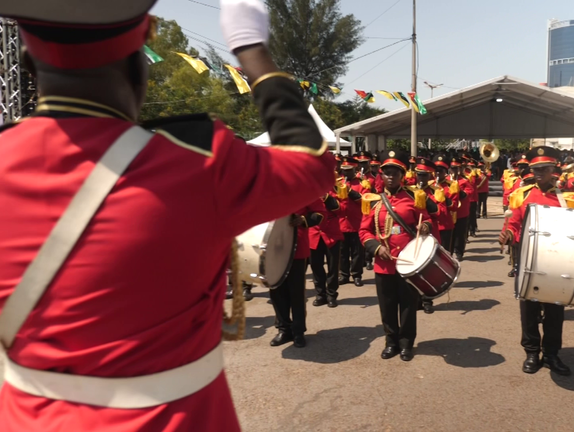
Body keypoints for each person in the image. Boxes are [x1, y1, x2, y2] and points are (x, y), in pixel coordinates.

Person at [0, 1, 335, 430]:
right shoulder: (200, 161)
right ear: (139, 67)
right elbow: (311, 162)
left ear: (28, 65)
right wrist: (251, 48)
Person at [499, 146, 574, 376]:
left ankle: (552, 354)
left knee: (555, 311)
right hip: (528, 261)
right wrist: (508, 235)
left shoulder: (568, 198)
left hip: (557, 262)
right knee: (529, 309)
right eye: (535, 169)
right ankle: (532, 352)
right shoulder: (521, 194)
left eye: (543, 168)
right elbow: (513, 224)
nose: (538, 172)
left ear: (554, 169)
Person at [360, 150, 432, 362]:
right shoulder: (372, 200)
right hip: (383, 263)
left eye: (395, 172)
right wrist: (375, 248)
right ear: (381, 175)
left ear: (402, 175)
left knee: (409, 305)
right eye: (387, 172)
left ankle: (406, 343)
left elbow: (427, 219)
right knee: (387, 305)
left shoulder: (414, 197)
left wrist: (425, 226)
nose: (391, 176)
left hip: (408, 261)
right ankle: (391, 342)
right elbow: (363, 231)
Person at [270, 201, 327, 348]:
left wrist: (303, 220)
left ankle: (298, 331)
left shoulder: (304, 188)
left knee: (296, 292)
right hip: (271, 247)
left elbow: (321, 213)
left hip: (296, 245)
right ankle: (284, 330)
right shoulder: (268, 187)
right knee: (276, 290)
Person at [413, 158, 442, 314]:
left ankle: (427, 300)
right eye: (419, 175)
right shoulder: (409, 190)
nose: (421, 178)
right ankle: (416, 299)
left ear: (430, 176)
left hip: (430, 234)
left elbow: (439, 213)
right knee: (414, 268)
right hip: (413, 235)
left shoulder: (437, 191)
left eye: (424, 175)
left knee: (427, 270)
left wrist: (424, 197)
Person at [338, 156, 369, 287]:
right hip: (341, 223)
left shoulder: (362, 183)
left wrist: (349, 191)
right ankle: (344, 274)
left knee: (357, 252)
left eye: (348, 170)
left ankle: (356, 275)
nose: (345, 173)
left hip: (356, 222)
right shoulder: (338, 182)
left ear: (354, 169)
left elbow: (365, 200)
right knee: (342, 252)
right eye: (344, 170)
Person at [310, 190, 343, 308]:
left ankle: (332, 295)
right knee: (316, 266)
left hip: (331, 235)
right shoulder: (309, 193)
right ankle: (320, 294)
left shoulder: (335, 192)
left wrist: (327, 197)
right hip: (314, 235)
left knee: (333, 267)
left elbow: (341, 210)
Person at [450, 156, 473, 261]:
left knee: (460, 233)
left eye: (456, 168)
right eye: (452, 168)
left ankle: (459, 252)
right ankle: (449, 253)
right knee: (450, 234)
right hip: (449, 212)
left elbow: (469, 193)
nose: (454, 170)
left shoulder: (464, 181)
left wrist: (459, 190)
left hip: (461, 212)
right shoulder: (445, 180)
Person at [433, 154, 458, 250]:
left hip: (445, 225)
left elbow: (454, 206)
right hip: (432, 226)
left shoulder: (452, 186)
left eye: (441, 171)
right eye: (436, 171)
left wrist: (444, 197)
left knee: (445, 254)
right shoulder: (429, 185)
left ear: (445, 172)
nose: (438, 173)